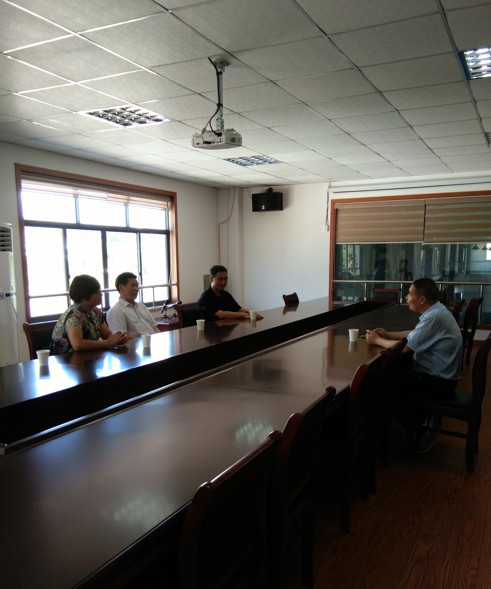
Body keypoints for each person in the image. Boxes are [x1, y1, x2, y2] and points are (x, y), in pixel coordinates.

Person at [365, 278, 463, 450]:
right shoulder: (437, 310)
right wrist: (388, 334)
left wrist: (377, 340)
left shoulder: (434, 318)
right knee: (394, 376)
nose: (406, 297)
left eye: (410, 294)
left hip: (438, 383)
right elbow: (415, 333)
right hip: (443, 376)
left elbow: (404, 349)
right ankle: (418, 419)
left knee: (385, 389)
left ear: (422, 299)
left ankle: (419, 430)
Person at [51, 274, 129, 355]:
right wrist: (109, 342)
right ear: (84, 296)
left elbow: (107, 334)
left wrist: (119, 339)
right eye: (97, 292)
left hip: (88, 356)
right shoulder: (74, 315)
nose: (101, 294)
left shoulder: (95, 311)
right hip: (67, 359)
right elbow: (78, 344)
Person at [198, 265, 263, 322]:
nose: (224, 282)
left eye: (225, 279)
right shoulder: (206, 296)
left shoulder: (225, 294)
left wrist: (251, 312)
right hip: (210, 330)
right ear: (211, 279)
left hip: (225, 328)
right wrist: (243, 315)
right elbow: (221, 314)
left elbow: (238, 309)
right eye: (220, 279)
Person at [106, 272, 160, 338]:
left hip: (153, 341)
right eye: (132, 286)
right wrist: (143, 340)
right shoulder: (116, 311)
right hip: (137, 343)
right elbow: (121, 337)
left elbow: (154, 327)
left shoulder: (141, 306)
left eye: (137, 286)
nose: (136, 289)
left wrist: (159, 338)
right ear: (121, 287)